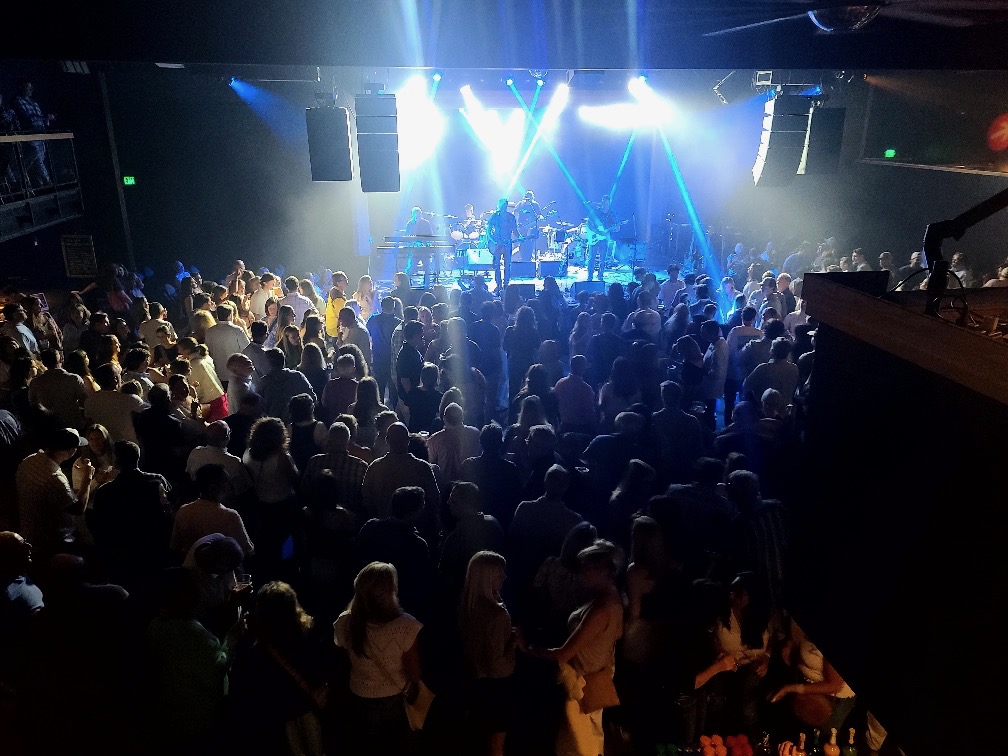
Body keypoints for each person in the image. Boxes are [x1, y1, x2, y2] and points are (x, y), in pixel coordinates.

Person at [526, 540, 624, 756]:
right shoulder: (611, 600)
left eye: (586, 568)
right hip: (593, 677)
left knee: (577, 745)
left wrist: (529, 649)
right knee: (587, 739)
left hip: (581, 684)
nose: (581, 574)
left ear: (604, 570)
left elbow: (564, 653)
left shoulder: (602, 609)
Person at [333, 561, 424, 754]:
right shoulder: (405, 626)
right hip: (394, 700)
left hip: (358, 695)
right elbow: (414, 673)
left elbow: (344, 658)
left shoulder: (345, 622)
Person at [458, 550, 518, 756]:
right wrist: (514, 642)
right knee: (496, 744)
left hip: (473, 682)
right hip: (496, 689)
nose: (504, 578)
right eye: (500, 573)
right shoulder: (497, 614)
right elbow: (498, 666)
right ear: (488, 577)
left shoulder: (468, 607)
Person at [14, 81, 56, 188]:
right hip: (30, 133)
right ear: (21, 88)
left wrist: (47, 119)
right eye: (28, 88)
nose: (30, 90)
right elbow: (27, 116)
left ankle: (40, 184)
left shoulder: (34, 102)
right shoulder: (18, 101)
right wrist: (44, 117)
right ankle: (47, 181)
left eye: (31, 87)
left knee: (40, 158)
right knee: (36, 156)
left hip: (40, 133)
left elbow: (40, 117)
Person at [486, 198, 518, 292]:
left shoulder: (510, 217)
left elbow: (515, 230)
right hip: (497, 243)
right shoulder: (494, 216)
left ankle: (506, 284)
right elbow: (488, 231)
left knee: (507, 264)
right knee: (497, 265)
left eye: (505, 204)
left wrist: (520, 237)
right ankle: (498, 284)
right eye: (502, 204)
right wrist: (493, 241)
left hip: (507, 243)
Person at [586, 194, 618, 283]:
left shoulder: (611, 214)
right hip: (594, 238)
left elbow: (614, 227)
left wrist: (616, 228)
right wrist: (596, 232)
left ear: (609, 203)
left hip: (604, 239)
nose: (605, 205)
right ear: (602, 202)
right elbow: (589, 223)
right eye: (604, 202)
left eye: (607, 203)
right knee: (591, 258)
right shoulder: (596, 211)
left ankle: (600, 276)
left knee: (603, 259)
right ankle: (590, 277)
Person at [514, 190, 542, 264]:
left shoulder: (535, 205)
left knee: (530, 244)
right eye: (527, 197)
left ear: (532, 197)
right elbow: (515, 212)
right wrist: (517, 223)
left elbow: (539, 215)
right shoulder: (520, 204)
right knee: (522, 243)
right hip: (521, 227)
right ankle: (523, 259)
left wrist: (540, 218)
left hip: (531, 227)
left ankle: (528, 261)